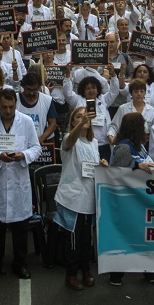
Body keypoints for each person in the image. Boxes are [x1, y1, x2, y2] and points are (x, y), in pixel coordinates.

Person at [0, 88, 42, 283]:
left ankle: (19, 264)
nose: (7, 110)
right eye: (3, 107)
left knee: (21, 229)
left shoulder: (26, 122)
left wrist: (24, 156)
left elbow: (36, 147)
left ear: (16, 104)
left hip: (18, 181)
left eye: (11, 107)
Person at [55, 107, 107, 291]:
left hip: (89, 196)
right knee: (73, 240)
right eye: (78, 116)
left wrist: (102, 165)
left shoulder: (93, 143)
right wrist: (80, 123)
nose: (84, 118)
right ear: (72, 122)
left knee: (87, 239)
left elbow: (93, 167)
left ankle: (86, 270)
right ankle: (71, 274)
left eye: (85, 116)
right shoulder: (69, 140)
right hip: (72, 197)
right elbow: (70, 140)